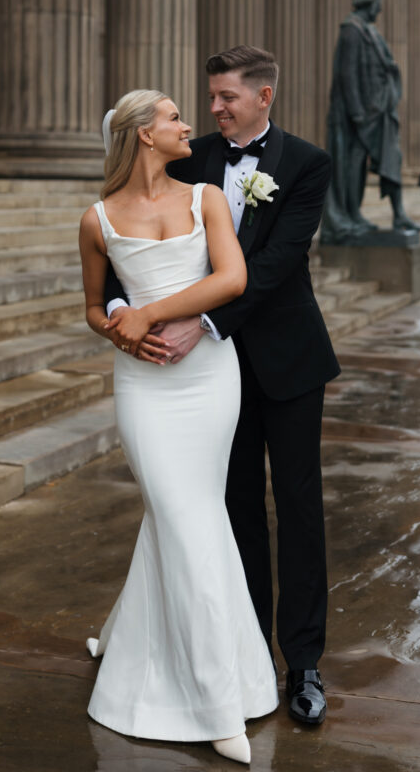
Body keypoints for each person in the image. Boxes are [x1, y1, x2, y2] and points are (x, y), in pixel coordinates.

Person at [105, 46, 341, 728]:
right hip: (208, 376)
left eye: (226, 97)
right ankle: (241, 658)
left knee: (296, 508)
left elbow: (273, 264)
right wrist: (122, 308)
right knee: (230, 507)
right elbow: (130, 228)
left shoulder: (306, 163)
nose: (213, 108)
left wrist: (199, 321)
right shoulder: (191, 155)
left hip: (285, 359)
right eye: (208, 97)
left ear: (263, 96)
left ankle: (303, 665)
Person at [79, 89, 278, 765]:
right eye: (171, 117)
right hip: (144, 387)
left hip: (208, 378)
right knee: (182, 516)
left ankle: (131, 642)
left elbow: (231, 279)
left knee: (184, 517)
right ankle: (218, 701)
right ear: (142, 135)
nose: (186, 123)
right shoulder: (96, 219)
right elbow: (92, 309)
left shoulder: (206, 200)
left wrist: (147, 310)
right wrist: (122, 336)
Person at [320, 0, 420, 243]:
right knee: (352, 165)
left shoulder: (371, 32)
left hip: (377, 110)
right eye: (378, 2)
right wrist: (356, 111)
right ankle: (351, 213)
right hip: (358, 114)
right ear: (370, 3)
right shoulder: (352, 30)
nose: (381, 8)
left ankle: (394, 214)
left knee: (390, 158)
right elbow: (347, 73)